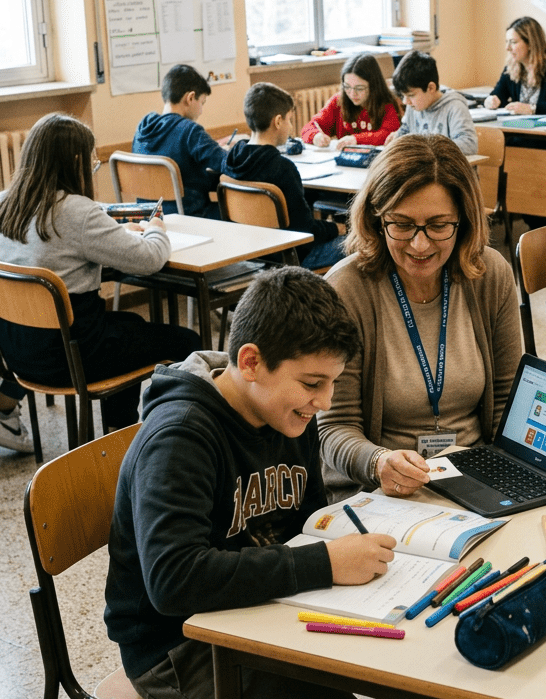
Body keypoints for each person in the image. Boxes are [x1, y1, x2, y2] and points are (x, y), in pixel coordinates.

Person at [319, 134, 546, 699]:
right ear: (374, 217)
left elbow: (505, 403)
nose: (419, 244)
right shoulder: (349, 287)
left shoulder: (486, 272)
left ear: (466, 220)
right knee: (502, 592)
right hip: (391, 494)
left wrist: (529, 468)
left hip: (479, 473)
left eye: (439, 225)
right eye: (401, 225)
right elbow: (333, 430)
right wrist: (381, 461)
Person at [103, 266, 448, 699]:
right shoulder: (180, 436)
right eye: (312, 383)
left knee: (438, 679)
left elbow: (301, 526)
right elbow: (173, 581)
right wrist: (325, 564)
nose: (325, 401)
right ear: (250, 362)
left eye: (332, 383)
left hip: (263, 611)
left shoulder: (286, 413)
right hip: (177, 649)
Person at [0, 113, 200, 436]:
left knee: (130, 327)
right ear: (77, 161)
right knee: (186, 341)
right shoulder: (76, 212)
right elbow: (150, 258)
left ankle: (115, 437)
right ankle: (171, 436)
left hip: (18, 354)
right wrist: (155, 227)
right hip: (74, 357)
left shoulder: (6, 204)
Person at [225, 82, 346, 270]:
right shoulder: (283, 168)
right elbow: (305, 231)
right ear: (278, 121)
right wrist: (338, 228)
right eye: (289, 119)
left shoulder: (230, 162)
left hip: (250, 255)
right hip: (290, 257)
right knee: (362, 242)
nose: (290, 126)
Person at [132, 64, 226, 218]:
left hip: (150, 218)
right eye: (202, 103)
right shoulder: (189, 130)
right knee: (242, 212)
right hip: (190, 216)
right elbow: (226, 163)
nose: (201, 110)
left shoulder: (143, 127)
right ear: (190, 98)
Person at [299, 52, 403, 147]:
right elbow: (309, 127)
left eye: (359, 88)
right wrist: (316, 136)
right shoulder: (338, 101)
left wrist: (355, 139)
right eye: (347, 87)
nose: (352, 94)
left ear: (373, 86)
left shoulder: (387, 103)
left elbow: (388, 135)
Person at [385, 51, 478, 156]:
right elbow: (406, 131)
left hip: (447, 171)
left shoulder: (454, 107)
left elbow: (469, 145)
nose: (405, 102)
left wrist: (427, 149)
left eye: (411, 95)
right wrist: (397, 138)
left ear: (431, 88)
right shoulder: (414, 107)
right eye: (403, 96)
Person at [484, 16, 546, 115]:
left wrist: (532, 109)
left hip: (544, 129)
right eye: (507, 42)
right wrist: (492, 101)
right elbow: (498, 94)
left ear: (530, 43)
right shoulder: (511, 66)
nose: (507, 48)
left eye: (513, 42)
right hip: (517, 127)